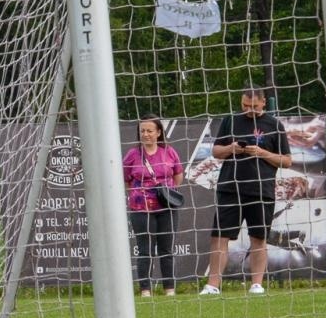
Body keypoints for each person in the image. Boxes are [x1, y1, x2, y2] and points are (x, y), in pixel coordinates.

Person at [199, 87, 293, 296]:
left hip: (261, 190)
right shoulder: (230, 121)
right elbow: (216, 151)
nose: (249, 110)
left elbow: (286, 160)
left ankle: (257, 285)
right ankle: (213, 285)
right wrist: (231, 148)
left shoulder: (274, 124)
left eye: (254, 106)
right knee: (219, 237)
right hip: (230, 188)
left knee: (258, 237)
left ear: (263, 104)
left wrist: (262, 152)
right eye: (245, 106)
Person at [122, 116, 184, 296]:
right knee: (145, 250)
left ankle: (169, 290)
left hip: (167, 207)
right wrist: (140, 194)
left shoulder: (169, 152)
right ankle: (145, 291)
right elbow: (125, 179)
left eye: (150, 131)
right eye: (142, 131)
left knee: (166, 249)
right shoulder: (132, 155)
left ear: (158, 133)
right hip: (141, 209)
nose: (146, 134)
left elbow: (178, 175)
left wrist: (167, 192)